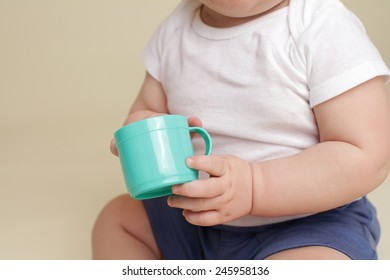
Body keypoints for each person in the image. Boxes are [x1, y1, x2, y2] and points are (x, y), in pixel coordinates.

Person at [92, 0, 390, 260]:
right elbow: (147, 110)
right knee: (117, 222)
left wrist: (254, 186)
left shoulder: (319, 24)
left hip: (308, 225)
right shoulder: (174, 31)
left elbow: (365, 155)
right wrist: (141, 134)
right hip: (194, 218)